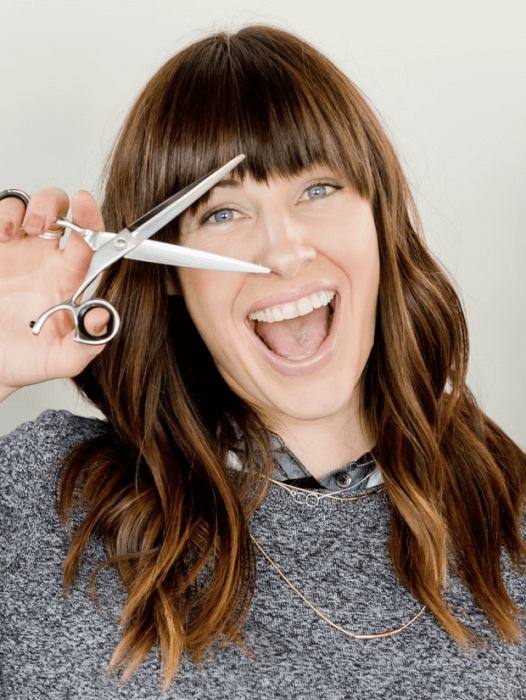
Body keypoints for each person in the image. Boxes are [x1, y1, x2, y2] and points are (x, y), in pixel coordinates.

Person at [1, 25, 525, 699]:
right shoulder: (46, 496)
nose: (284, 252)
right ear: (167, 271)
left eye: (318, 189)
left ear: (380, 218)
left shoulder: (507, 511)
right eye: (222, 213)